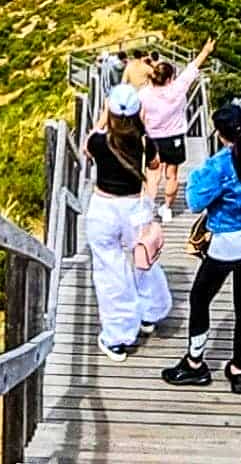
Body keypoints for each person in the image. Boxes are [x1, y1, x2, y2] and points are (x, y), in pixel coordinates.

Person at [160, 96, 241, 394]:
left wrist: (198, 174)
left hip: (226, 244)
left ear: (219, 134)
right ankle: (237, 369)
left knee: (200, 299)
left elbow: (196, 202)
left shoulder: (217, 166)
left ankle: (195, 364)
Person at [83, 86, 173, 353]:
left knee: (111, 272)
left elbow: (86, 147)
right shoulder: (145, 142)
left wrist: (102, 116)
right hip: (136, 206)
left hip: (104, 207)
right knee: (144, 260)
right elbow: (155, 168)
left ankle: (119, 337)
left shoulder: (100, 141)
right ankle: (150, 312)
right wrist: (150, 199)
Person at [136, 40, 209, 182]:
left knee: (153, 174)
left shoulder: (143, 94)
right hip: (174, 136)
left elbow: (139, 115)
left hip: (152, 137)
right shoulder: (178, 87)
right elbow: (193, 66)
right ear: (169, 78)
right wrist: (206, 50)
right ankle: (168, 204)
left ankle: (150, 201)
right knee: (172, 175)